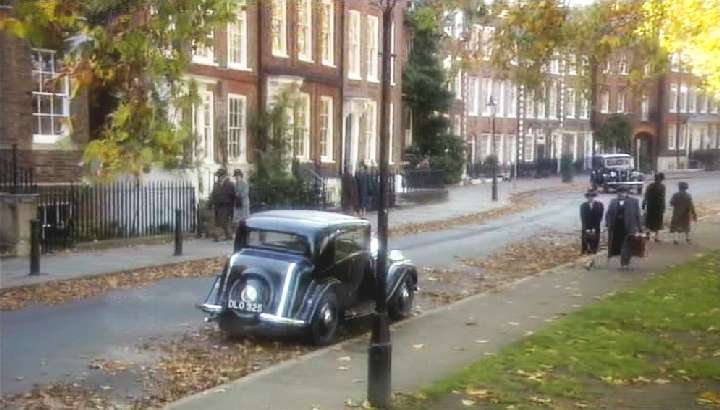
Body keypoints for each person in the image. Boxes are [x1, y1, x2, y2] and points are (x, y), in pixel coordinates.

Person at [605, 186, 642, 269]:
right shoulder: (613, 201)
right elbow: (608, 214)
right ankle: (623, 261)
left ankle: (625, 263)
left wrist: (640, 228)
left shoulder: (634, 201)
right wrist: (608, 224)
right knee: (619, 245)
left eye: (624, 192)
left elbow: (638, 215)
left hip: (629, 227)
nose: (622, 194)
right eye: (620, 192)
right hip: (617, 227)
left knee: (627, 245)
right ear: (617, 193)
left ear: (627, 193)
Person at [209, 168, 236, 241]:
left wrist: (231, 206)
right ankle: (225, 235)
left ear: (224, 176)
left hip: (226, 206)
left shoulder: (230, 184)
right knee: (218, 222)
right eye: (218, 176)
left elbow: (233, 196)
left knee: (224, 222)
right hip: (217, 206)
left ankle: (223, 235)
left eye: (220, 176)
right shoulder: (216, 184)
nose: (219, 177)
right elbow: (213, 195)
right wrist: (210, 203)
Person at [642, 172, 666, 242]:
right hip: (658, 207)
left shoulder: (650, 186)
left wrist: (643, 204)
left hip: (650, 206)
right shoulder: (662, 187)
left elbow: (646, 195)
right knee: (658, 222)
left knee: (649, 221)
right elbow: (662, 198)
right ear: (661, 179)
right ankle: (656, 237)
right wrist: (663, 207)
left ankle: (647, 236)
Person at [580, 189, 604, 255]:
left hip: (596, 226)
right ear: (587, 197)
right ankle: (585, 250)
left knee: (595, 239)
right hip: (586, 226)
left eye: (592, 196)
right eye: (589, 196)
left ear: (594, 197)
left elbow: (600, 217)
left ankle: (594, 250)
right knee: (586, 238)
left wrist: (595, 227)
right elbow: (583, 218)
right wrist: (586, 228)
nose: (590, 198)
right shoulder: (583, 206)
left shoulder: (599, 205)